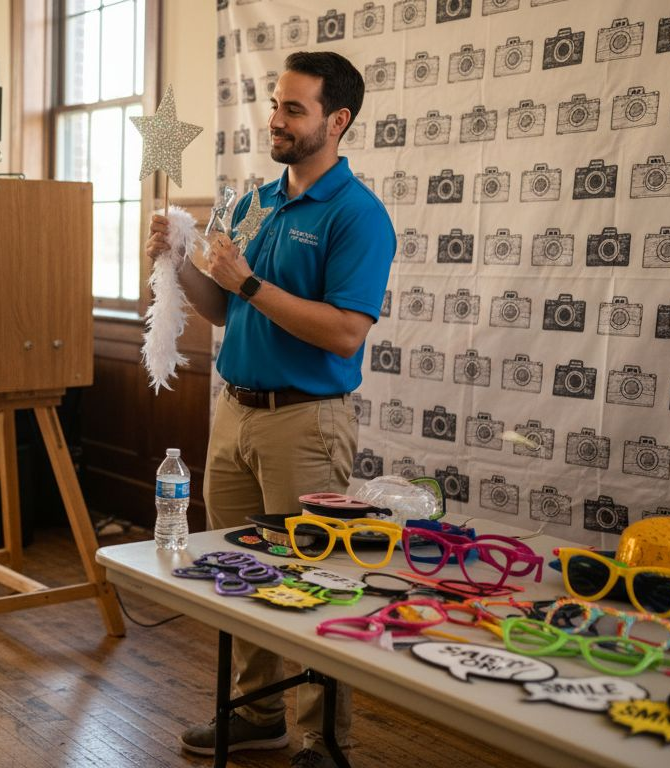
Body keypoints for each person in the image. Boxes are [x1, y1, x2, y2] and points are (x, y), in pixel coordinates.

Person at [149, 52, 394, 768]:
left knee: (317, 580)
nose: (275, 119)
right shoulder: (253, 200)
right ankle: (259, 714)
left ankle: (325, 739)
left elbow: (346, 330)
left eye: (294, 109)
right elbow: (222, 308)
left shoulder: (360, 216)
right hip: (234, 412)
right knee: (239, 574)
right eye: (275, 104)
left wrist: (250, 282)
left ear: (336, 120)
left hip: (306, 423)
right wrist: (184, 264)